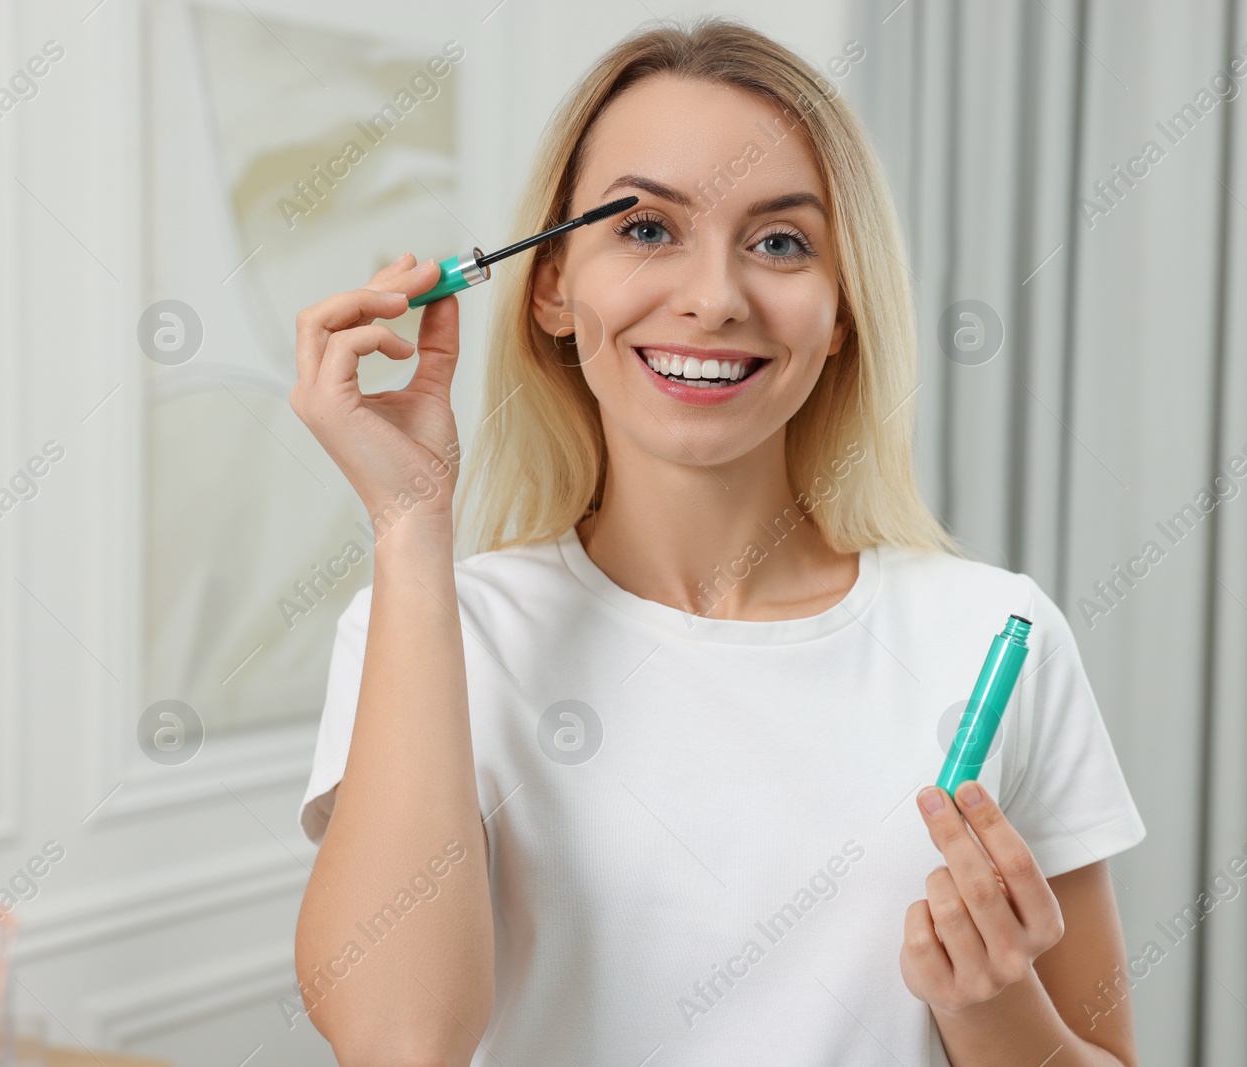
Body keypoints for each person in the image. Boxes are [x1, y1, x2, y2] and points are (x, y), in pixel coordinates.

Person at [290, 17, 1145, 1066]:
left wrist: (990, 1005)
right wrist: (410, 523)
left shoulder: (994, 635)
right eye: (645, 228)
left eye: (780, 241)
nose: (713, 297)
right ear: (552, 287)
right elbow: (402, 1043)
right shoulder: (436, 629)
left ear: (840, 311)